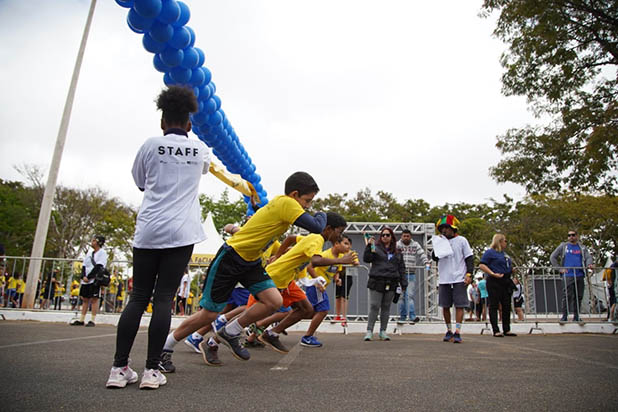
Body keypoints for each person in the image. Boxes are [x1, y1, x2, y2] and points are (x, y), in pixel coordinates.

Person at [106, 86, 209, 390]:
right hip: (181, 232)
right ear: (189, 124)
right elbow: (202, 169)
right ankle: (152, 370)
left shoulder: (150, 145)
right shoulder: (201, 149)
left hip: (149, 229)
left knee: (138, 298)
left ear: (163, 122)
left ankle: (119, 367)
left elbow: (140, 182)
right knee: (164, 299)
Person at [300, 234, 356, 347]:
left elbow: (336, 270)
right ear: (336, 244)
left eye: (349, 245)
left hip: (320, 287)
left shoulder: (340, 257)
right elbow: (310, 267)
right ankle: (307, 337)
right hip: (314, 286)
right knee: (323, 310)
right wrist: (317, 281)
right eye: (345, 243)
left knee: (310, 311)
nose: (347, 247)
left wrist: (337, 279)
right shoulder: (325, 254)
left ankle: (305, 333)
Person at [432, 215, 473, 343]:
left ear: (453, 228)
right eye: (442, 228)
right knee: (445, 306)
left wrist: (469, 274)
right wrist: (438, 244)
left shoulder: (462, 240)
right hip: (444, 278)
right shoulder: (440, 241)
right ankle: (449, 330)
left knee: (459, 305)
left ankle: (458, 331)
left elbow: (469, 258)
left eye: (447, 228)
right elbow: (434, 257)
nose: (444, 231)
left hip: (459, 277)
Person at [363, 227, 406, 341]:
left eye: (387, 235)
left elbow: (401, 268)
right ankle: (369, 331)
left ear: (392, 237)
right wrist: (368, 246)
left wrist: (403, 284)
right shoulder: (375, 248)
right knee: (374, 305)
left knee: (386, 307)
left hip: (391, 281)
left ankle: (383, 331)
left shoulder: (397, 252)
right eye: (383, 235)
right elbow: (367, 259)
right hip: (377, 280)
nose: (385, 237)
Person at [550, 230, 594, 323]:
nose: (571, 237)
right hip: (568, 274)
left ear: (577, 236)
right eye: (569, 235)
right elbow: (552, 257)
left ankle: (577, 316)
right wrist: (559, 268)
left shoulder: (582, 247)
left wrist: (589, 264)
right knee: (567, 295)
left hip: (579, 274)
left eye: (573, 235)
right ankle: (564, 316)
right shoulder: (563, 246)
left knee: (578, 296)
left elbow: (588, 257)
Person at [479, 234, 516, 337]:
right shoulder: (490, 252)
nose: (506, 243)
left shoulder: (504, 254)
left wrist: (511, 270)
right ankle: (496, 330)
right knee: (494, 304)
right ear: (499, 242)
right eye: (505, 241)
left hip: (506, 280)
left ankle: (507, 329)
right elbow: (482, 264)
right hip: (495, 280)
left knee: (506, 305)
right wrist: (491, 273)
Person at [71, 236, 107, 326]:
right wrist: (83, 276)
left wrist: (90, 277)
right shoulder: (89, 253)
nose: (92, 242)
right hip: (85, 280)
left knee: (94, 299)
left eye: (94, 240)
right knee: (85, 299)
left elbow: (99, 266)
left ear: (99, 242)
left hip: (94, 280)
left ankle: (92, 320)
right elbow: (84, 265)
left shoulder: (102, 253)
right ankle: (81, 319)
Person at [396, 229, 429, 324]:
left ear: (410, 237)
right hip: (400, 274)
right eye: (404, 236)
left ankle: (412, 316)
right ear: (401, 236)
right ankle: (402, 317)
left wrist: (426, 262)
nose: (406, 238)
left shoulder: (415, 245)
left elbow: (422, 254)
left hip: (411, 274)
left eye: (408, 236)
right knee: (401, 296)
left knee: (409, 295)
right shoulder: (397, 245)